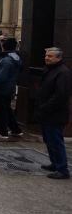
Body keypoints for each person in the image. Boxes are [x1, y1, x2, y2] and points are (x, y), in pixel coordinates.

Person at [36, 47, 71, 180]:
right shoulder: (50, 69)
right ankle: (55, 163)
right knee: (49, 140)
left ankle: (62, 169)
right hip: (46, 113)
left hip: (55, 114)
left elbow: (61, 96)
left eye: (50, 56)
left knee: (56, 141)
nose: (46, 58)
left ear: (58, 58)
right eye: (46, 55)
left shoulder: (63, 73)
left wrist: (45, 107)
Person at [0, 38, 23, 139]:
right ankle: (15, 129)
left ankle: (2, 132)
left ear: (4, 46)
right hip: (8, 88)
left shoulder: (7, 60)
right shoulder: (16, 58)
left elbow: (1, 77)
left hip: (0, 89)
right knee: (7, 109)